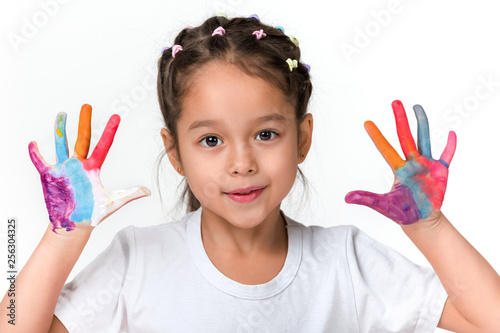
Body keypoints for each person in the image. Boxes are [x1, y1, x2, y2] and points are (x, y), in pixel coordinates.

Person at [1, 14, 499, 333]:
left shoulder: (346, 261)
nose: (241, 163)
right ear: (174, 153)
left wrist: (429, 227)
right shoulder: (138, 261)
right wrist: (63, 235)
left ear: (302, 138)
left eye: (265, 134)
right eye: (211, 140)